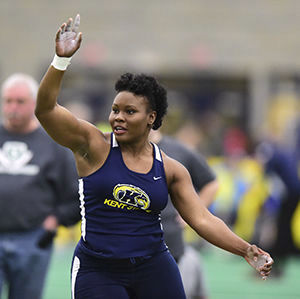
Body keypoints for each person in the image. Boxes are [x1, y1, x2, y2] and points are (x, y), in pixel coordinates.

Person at [35, 15, 273, 299]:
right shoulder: (93, 145)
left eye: (129, 111)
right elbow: (46, 111)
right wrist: (60, 61)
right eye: (115, 109)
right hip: (98, 269)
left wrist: (245, 249)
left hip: (154, 267)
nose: (118, 117)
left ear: (152, 118)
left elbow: (202, 219)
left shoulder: (171, 168)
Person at [0, 73, 81, 299]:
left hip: (33, 239)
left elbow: (75, 195)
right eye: (8, 101)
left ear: (34, 103)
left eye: (20, 101)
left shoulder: (53, 145)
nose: (13, 107)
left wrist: (55, 220)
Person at [150, 129, 218, 299]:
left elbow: (211, 183)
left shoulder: (178, 151)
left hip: (170, 239)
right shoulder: (122, 150)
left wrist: (191, 214)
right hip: (134, 242)